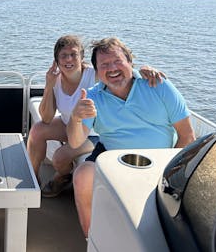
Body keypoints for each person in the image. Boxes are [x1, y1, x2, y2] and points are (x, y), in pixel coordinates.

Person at [68, 37, 196, 238]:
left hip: (160, 160)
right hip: (112, 157)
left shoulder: (158, 85)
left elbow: (187, 135)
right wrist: (76, 118)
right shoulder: (92, 97)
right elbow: (75, 142)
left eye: (118, 61)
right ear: (97, 72)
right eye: (104, 65)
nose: (112, 68)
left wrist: (169, 171)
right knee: (83, 175)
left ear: (130, 62)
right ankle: (91, 238)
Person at [27, 35, 165, 197]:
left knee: (59, 158)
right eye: (63, 56)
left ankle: (62, 177)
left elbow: (122, 73)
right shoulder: (55, 80)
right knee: (37, 131)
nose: (69, 59)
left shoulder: (95, 75)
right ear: (56, 60)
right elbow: (47, 118)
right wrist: (49, 85)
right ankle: (33, 179)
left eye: (74, 54)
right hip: (69, 124)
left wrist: (144, 70)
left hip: (93, 133)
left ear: (82, 57)